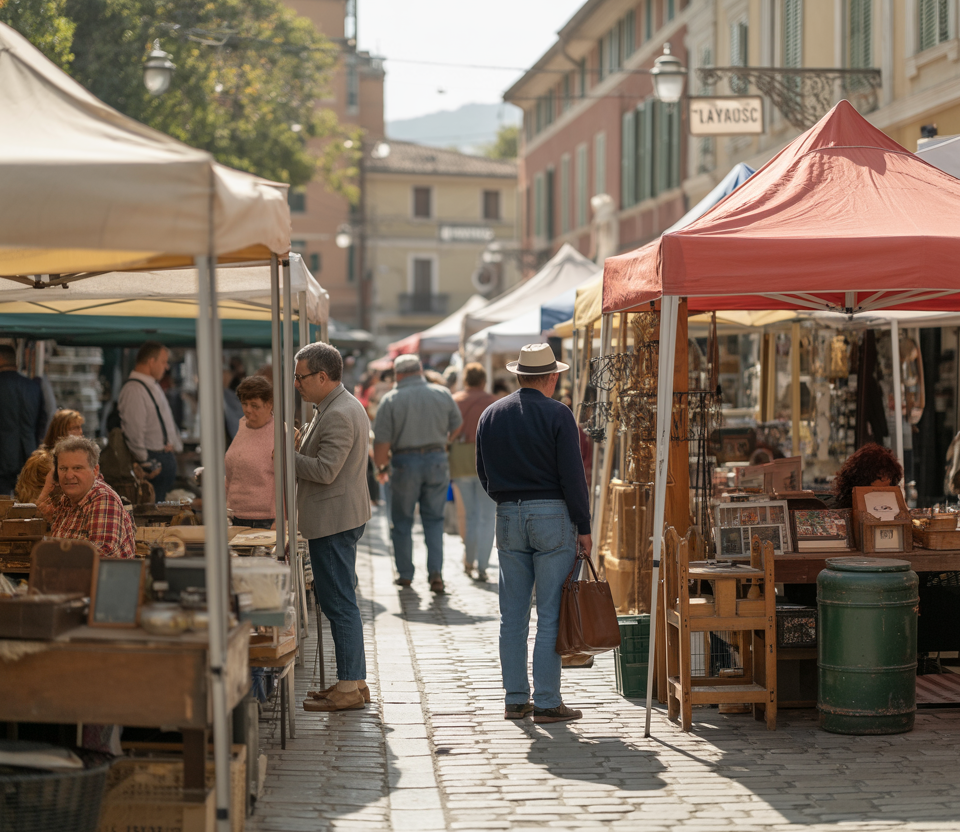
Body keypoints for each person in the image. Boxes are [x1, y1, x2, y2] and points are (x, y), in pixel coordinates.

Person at [476, 344, 591, 725]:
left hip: (507, 514)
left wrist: (507, 500)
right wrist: (584, 526)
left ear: (519, 375)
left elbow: (483, 472)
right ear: (552, 377)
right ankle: (546, 701)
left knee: (512, 616)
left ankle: (514, 699)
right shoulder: (559, 414)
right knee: (550, 615)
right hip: (552, 514)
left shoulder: (491, 414)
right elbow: (573, 477)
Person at [294, 342, 372, 712]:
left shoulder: (339, 411)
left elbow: (326, 470)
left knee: (338, 602)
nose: (297, 383)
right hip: (335, 517)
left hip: (334, 520)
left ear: (322, 377)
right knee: (339, 599)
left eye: (301, 376)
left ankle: (348, 685)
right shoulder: (333, 406)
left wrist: (288, 457)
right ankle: (352, 680)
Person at [373, 354, 462, 593]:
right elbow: (457, 423)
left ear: (398, 374)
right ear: (420, 370)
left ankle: (405, 574)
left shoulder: (391, 399)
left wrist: (381, 467)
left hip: (404, 462)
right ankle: (436, 574)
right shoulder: (441, 393)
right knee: (434, 520)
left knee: (402, 521)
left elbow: (381, 442)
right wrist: (445, 443)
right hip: (436, 460)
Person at [35, 436, 137, 558]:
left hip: (99, 577)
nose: (68, 475)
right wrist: (47, 488)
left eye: (77, 468)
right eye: (63, 468)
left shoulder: (103, 499)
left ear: (95, 471)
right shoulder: (67, 499)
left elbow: (101, 554)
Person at [117, 341, 183, 501]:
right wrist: (146, 462)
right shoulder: (134, 389)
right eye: (163, 361)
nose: (166, 367)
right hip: (152, 463)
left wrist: (174, 444)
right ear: (151, 361)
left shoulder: (151, 385)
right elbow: (134, 431)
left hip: (160, 458)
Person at [451, 363, 498, 582]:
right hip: (487, 459)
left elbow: (448, 432)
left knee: (468, 514)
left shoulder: (456, 400)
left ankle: (469, 560)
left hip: (460, 460)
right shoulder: (493, 402)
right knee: (487, 517)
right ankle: (482, 566)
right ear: (483, 381)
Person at [225, 376, 276, 530]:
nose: (248, 410)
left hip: (265, 521)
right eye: (244, 404)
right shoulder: (242, 426)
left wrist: (281, 519)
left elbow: (286, 483)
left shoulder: (279, 433)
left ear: (269, 405)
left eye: (255, 405)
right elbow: (231, 473)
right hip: (235, 517)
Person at [0, 344, 46, 495]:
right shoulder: (33, 386)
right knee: (27, 503)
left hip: (3, 456)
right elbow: (42, 420)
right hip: (29, 452)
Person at [15, 409, 85, 504]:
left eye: (80, 427)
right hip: (40, 511)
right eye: (74, 428)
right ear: (61, 431)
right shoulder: (44, 461)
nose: (80, 432)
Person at [832, 443, 904, 509]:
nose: (882, 496)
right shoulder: (842, 514)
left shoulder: (892, 510)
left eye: (886, 490)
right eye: (876, 492)